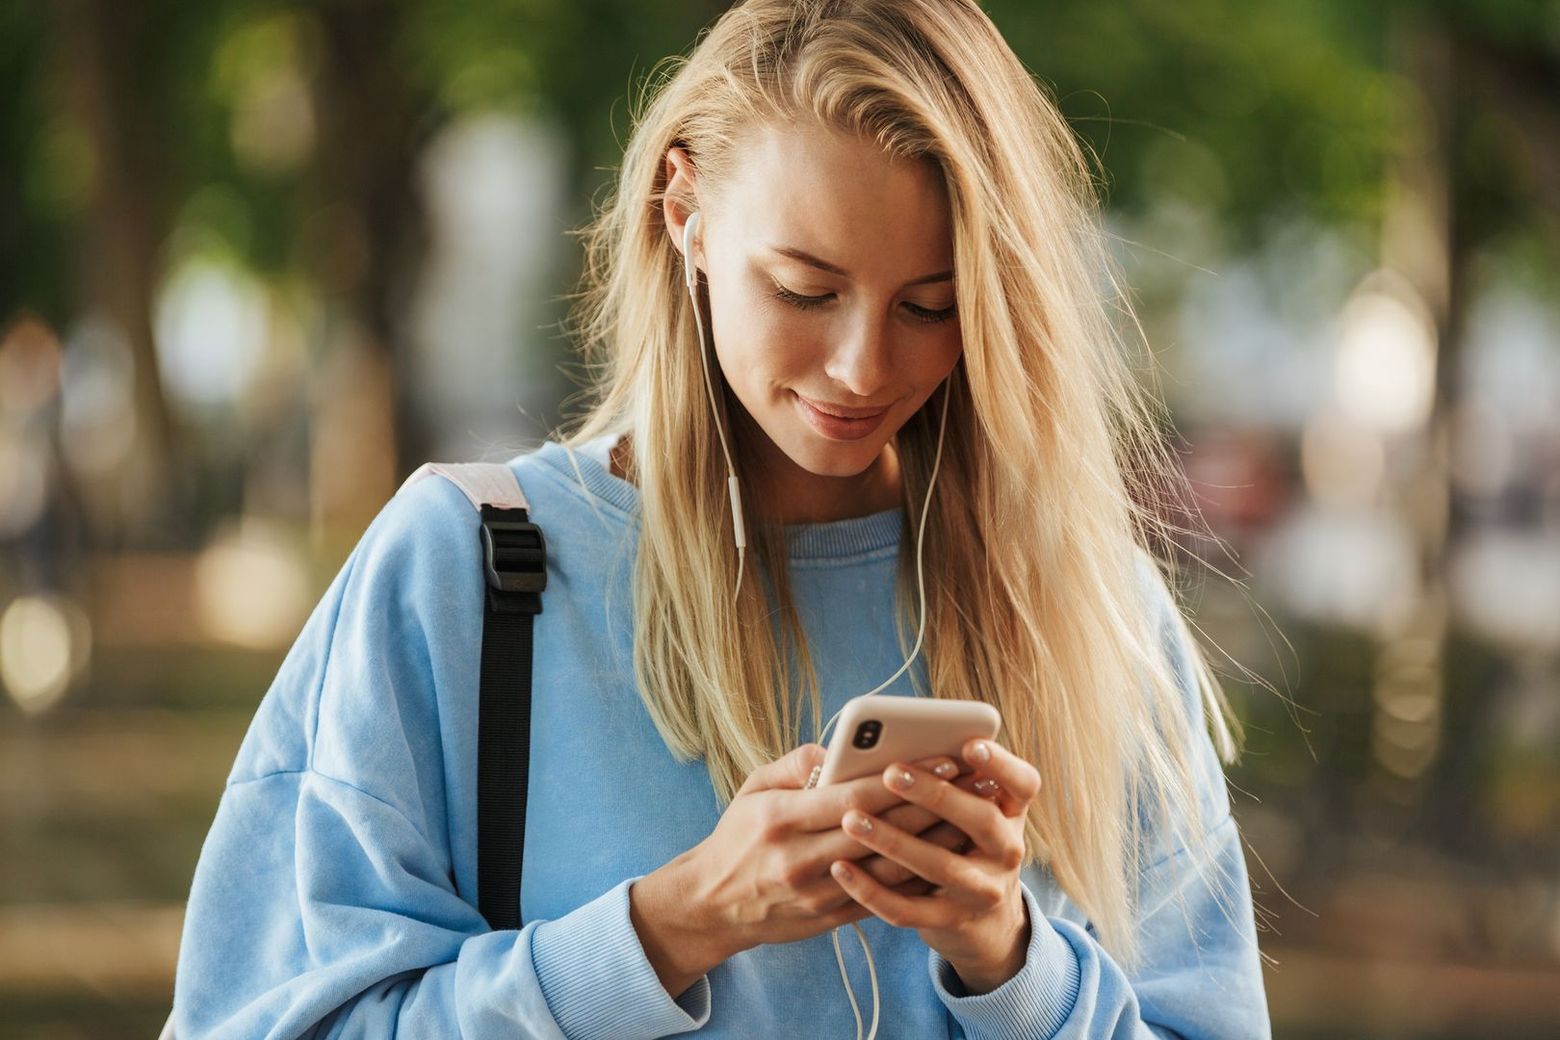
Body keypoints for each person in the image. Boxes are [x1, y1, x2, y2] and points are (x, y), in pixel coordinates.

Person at [170, 0, 1272, 1036]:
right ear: (684, 213)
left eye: (932, 306)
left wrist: (1011, 958)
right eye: (805, 288)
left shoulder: (1085, 603)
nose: (863, 366)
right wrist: (672, 924)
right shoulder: (465, 569)